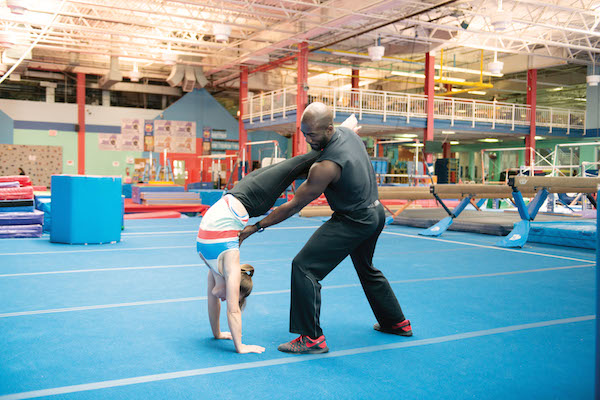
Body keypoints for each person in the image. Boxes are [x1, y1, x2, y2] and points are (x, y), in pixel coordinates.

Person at [239, 103, 411, 355]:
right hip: (375, 213)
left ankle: (311, 339)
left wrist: (255, 227)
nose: (308, 140)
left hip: (355, 220)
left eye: (313, 135)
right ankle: (396, 322)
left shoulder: (326, 166)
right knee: (366, 268)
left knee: (304, 267)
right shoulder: (349, 133)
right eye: (304, 134)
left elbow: (293, 206)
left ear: (329, 129)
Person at [196, 148, 322, 354]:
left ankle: (341, 136)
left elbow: (226, 308)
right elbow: (229, 308)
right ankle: (338, 143)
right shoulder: (228, 264)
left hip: (239, 194)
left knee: (295, 166)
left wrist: (236, 345)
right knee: (292, 168)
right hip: (254, 199)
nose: (222, 298)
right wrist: (230, 338)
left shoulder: (214, 267)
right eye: (229, 296)